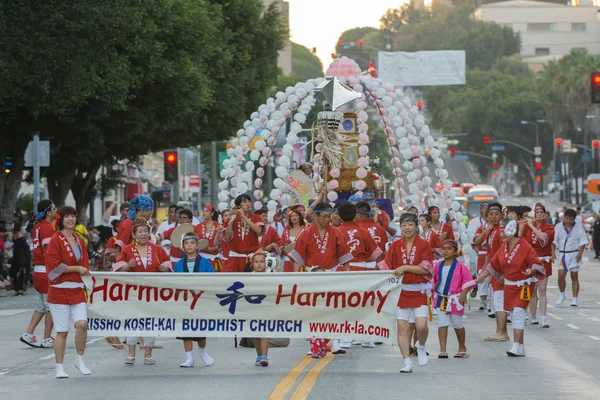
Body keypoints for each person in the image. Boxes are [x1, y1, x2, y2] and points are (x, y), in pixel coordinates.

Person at [474, 219, 546, 357]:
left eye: (503, 231)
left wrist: (531, 271)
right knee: (514, 316)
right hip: (509, 286)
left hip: (523, 285)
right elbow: (492, 267)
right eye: (500, 232)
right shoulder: (503, 248)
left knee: (519, 313)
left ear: (512, 231)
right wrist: (477, 280)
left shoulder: (524, 246)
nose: (500, 235)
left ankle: (516, 346)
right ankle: (520, 347)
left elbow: (536, 263)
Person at [113, 218, 172, 365]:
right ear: (134, 235)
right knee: (132, 320)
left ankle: (148, 353)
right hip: (133, 292)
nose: (143, 234)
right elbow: (118, 268)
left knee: (151, 321)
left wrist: (164, 269)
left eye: (146, 231)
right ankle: (131, 353)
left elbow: (167, 264)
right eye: (140, 231)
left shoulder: (157, 249)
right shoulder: (127, 249)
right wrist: (128, 266)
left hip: (152, 292)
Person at [380, 213, 434, 373]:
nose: (407, 228)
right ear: (400, 227)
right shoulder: (395, 245)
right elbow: (386, 266)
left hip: (419, 290)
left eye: (410, 225)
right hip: (401, 292)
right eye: (404, 225)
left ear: (416, 226)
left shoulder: (424, 244)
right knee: (402, 327)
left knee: (421, 326)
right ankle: (406, 361)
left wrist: (404, 267)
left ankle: (421, 346)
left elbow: (425, 268)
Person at [45, 206, 91, 378]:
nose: (70, 219)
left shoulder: (79, 240)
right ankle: (59, 367)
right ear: (61, 219)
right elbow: (54, 267)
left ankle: (80, 359)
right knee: (62, 331)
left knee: (82, 324)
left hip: (77, 289)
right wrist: (76, 268)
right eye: (67, 216)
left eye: (73, 216)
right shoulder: (55, 239)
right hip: (58, 291)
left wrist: (84, 273)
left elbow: (85, 265)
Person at [337, 202, 382, 349]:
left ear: (340, 216)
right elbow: (376, 254)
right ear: (355, 215)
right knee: (362, 303)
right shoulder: (363, 232)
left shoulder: (336, 231)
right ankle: (364, 337)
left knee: (344, 304)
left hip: (342, 271)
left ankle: (344, 339)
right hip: (362, 270)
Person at [173, 232, 215, 368]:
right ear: (183, 246)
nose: (189, 246)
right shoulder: (179, 264)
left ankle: (203, 353)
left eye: (192, 243)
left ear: (197, 245)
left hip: (200, 299)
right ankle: (189, 357)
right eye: (186, 243)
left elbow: (212, 278)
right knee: (186, 329)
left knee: (200, 328)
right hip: (185, 300)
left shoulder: (204, 262)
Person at [20, 200, 57, 348]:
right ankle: (47, 338)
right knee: (51, 307)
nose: (56, 211)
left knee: (41, 306)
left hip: (38, 271)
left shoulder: (37, 227)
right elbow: (49, 251)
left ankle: (28, 333)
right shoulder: (47, 228)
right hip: (46, 271)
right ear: (48, 212)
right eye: (54, 209)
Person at [434, 240, 474, 359]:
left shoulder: (461, 267)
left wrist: (464, 294)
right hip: (441, 297)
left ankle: (462, 347)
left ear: (456, 251)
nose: (445, 251)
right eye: (443, 248)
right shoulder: (437, 266)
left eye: (449, 248)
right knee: (442, 322)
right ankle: (443, 350)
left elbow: (467, 281)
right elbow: (433, 281)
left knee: (457, 323)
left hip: (455, 298)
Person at [474, 202, 508, 338]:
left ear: (501, 215)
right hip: (493, 268)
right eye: (491, 215)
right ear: (486, 216)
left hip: (500, 270)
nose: (494, 217)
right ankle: (502, 332)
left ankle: (500, 332)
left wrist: (503, 273)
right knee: (497, 301)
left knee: (499, 302)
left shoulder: (501, 232)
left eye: (496, 214)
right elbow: (478, 243)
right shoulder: (490, 231)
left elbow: (505, 252)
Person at [289, 202, 352, 273]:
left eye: (329, 216)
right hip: (312, 273)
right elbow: (298, 257)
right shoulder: (306, 233)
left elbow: (344, 255)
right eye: (324, 216)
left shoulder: (336, 233)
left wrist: (348, 274)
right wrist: (296, 276)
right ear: (316, 216)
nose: (328, 219)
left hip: (331, 273)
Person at [522, 204, 555, 327]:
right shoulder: (527, 226)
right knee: (532, 290)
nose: (540, 215)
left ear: (545, 214)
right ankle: (532, 316)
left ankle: (543, 318)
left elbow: (543, 239)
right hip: (530, 261)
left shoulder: (550, 227)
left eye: (542, 212)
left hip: (544, 261)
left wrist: (531, 225)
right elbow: (521, 240)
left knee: (542, 289)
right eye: (537, 213)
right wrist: (523, 225)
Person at [553, 208, 588, 307]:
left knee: (574, 276)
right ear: (564, 218)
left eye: (570, 219)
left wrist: (580, 254)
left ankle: (574, 299)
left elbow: (583, 241)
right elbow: (554, 241)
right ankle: (562, 294)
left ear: (574, 219)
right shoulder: (558, 226)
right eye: (567, 219)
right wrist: (552, 253)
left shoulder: (579, 226)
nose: (568, 221)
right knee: (561, 276)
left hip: (574, 254)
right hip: (562, 255)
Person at [222, 194, 264, 273]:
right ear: (238, 205)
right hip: (234, 259)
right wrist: (231, 221)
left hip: (251, 259)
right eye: (244, 202)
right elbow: (227, 237)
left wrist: (244, 217)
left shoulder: (256, 217)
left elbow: (258, 230)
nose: (248, 204)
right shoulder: (232, 217)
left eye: (249, 202)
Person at [115, 195, 154, 260]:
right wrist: (120, 267)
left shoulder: (144, 223)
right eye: (150, 210)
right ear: (143, 210)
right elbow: (118, 249)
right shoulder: (127, 224)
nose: (151, 214)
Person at [267, 208, 306, 272]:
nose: (294, 217)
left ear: (300, 217)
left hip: (301, 259)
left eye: (296, 216)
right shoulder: (286, 231)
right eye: (292, 216)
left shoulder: (305, 230)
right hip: (287, 259)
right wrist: (283, 247)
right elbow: (281, 242)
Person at [251, 251, 271, 366]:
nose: (259, 264)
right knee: (256, 334)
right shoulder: (250, 276)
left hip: (266, 307)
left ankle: (264, 356)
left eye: (262, 262)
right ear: (252, 264)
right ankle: (259, 355)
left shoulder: (270, 275)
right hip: (254, 308)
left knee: (264, 331)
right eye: (256, 262)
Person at [194, 205, 222, 272]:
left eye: (207, 211)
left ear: (212, 213)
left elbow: (222, 241)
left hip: (214, 258)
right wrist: (204, 248)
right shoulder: (198, 227)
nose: (204, 213)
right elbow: (194, 242)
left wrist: (215, 248)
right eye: (203, 211)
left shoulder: (218, 226)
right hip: (201, 258)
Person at [10, 222, 30, 296]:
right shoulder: (21, 237)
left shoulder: (14, 236)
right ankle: (21, 288)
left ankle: (17, 288)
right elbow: (24, 249)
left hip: (16, 257)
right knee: (22, 272)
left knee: (17, 272)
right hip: (22, 257)